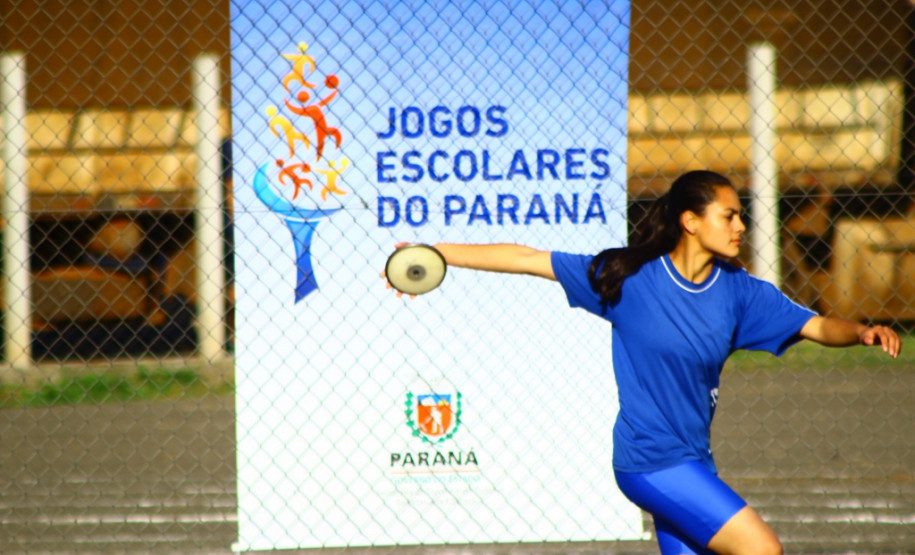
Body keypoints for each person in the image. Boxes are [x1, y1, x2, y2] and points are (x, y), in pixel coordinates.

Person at [386, 170, 901, 555]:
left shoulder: (741, 293)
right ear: (690, 221)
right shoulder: (628, 280)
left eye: (740, 215)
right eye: (730, 215)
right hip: (651, 462)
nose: (741, 225)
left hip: (695, 461)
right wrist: (436, 252)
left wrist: (861, 332)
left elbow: (814, 325)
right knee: (762, 549)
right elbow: (526, 259)